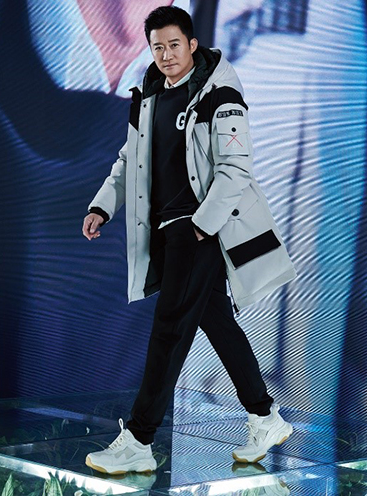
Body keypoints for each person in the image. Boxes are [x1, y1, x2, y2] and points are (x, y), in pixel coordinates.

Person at [82, 6, 296, 474]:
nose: (166, 55)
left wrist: (202, 226)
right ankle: (264, 417)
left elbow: (236, 168)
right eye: (157, 47)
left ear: (192, 45)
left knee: (169, 330)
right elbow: (129, 161)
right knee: (218, 325)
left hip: (197, 230)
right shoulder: (150, 96)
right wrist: (102, 205)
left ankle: (139, 440)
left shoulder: (221, 94)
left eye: (174, 45)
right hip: (166, 230)